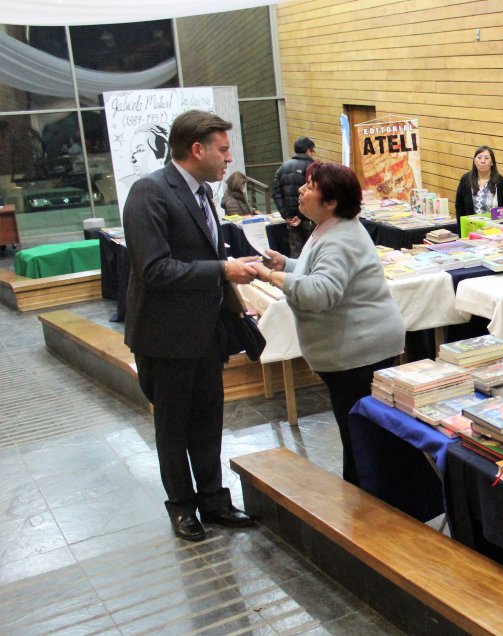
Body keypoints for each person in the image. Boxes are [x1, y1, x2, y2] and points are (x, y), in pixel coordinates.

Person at [123, 110, 260, 542]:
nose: (228, 158)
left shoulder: (202, 193)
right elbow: (154, 268)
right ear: (197, 149)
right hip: (165, 337)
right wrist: (222, 270)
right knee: (173, 428)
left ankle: (215, 500)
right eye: (222, 149)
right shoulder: (150, 193)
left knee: (208, 421)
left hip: (204, 334)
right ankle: (182, 507)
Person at [252, 162, 405, 486]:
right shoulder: (330, 227)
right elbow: (319, 271)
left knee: (360, 440)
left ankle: (369, 510)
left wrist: (271, 276)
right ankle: (364, 499)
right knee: (356, 434)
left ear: (331, 201)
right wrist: (288, 264)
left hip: (359, 351)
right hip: (349, 350)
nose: (301, 191)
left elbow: (320, 292)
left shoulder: (339, 236)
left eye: (310, 185)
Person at [272, 136, 316, 256]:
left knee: (296, 252)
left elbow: (276, 193)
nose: (312, 154)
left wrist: (287, 216)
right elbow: (316, 194)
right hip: (310, 218)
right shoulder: (313, 167)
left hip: (291, 220)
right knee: (312, 252)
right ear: (308, 150)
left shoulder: (282, 167)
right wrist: (301, 216)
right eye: (312, 151)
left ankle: (295, 274)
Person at [453, 146, 503, 221]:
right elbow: (459, 208)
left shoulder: (501, 182)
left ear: (492, 162)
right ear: (474, 161)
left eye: (486, 158)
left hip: (495, 229)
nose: (482, 161)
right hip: (470, 228)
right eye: (479, 157)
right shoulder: (465, 180)